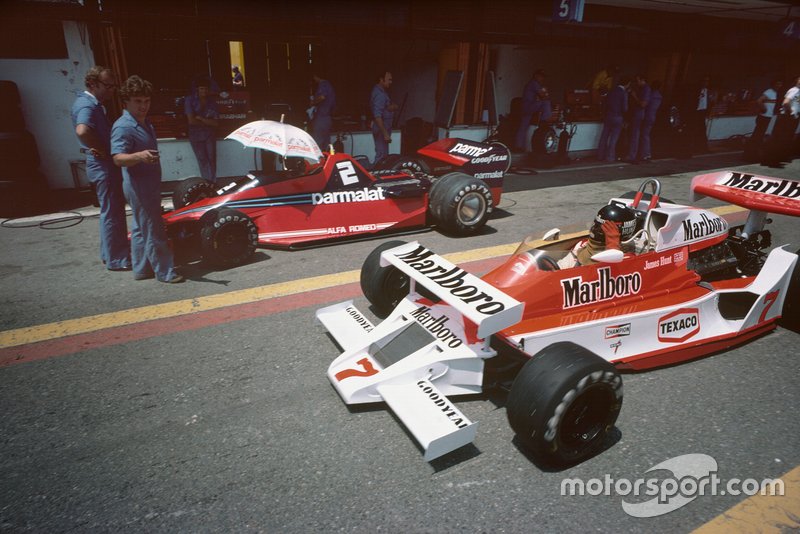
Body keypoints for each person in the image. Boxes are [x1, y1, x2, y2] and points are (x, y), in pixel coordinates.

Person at [111, 75, 184, 284]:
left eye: (146, 101)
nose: (143, 106)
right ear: (126, 101)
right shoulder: (123, 126)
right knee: (154, 229)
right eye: (138, 101)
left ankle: (142, 268)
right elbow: (117, 158)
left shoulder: (144, 122)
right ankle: (166, 272)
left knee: (141, 228)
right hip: (138, 186)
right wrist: (138, 156)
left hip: (149, 184)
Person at [71, 66, 131, 272]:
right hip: (103, 166)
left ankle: (110, 253)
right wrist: (99, 148)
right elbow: (83, 130)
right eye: (108, 86)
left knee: (110, 211)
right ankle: (118, 258)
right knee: (113, 212)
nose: (112, 90)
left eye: (113, 86)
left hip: (103, 165)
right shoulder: (88, 105)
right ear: (93, 84)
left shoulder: (94, 104)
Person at [558, 203, 638, 269]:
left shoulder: (627, 259)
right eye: (597, 224)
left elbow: (612, 277)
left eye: (603, 228)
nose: (595, 229)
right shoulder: (583, 245)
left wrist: (612, 246)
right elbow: (560, 268)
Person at [185, 76, 219, 182]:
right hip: (196, 134)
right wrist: (207, 122)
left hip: (209, 134)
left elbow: (216, 123)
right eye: (201, 89)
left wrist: (201, 119)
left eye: (206, 89)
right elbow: (191, 121)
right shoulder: (190, 100)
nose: (204, 91)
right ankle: (207, 183)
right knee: (202, 160)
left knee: (212, 159)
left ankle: (212, 183)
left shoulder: (212, 102)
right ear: (197, 89)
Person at [764, 76, 800, 165]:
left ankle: (780, 156)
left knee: (786, 137)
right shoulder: (795, 90)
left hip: (791, 116)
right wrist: (792, 112)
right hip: (788, 116)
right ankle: (774, 157)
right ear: (796, 81)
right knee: (782, 137)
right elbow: (786, 102)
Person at [514, 69, 552, 152]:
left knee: (524, 126)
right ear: (536, 76)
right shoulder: (534, 83)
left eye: (543, 77)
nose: (542, 79)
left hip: (526, 107)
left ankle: (519, 146)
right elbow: (544, 96)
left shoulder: (533, 84)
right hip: (528, 106)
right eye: (541, 76)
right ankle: (545, 119)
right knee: (546, 102)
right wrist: (545, 92)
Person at [745, 79, 782, 161]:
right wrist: (764, 109)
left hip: (768, 116)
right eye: (777, 84)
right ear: (773, 84)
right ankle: (750, 154)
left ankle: (754, 153)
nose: (779, 86)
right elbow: (759, 101)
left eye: (780, 84)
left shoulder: (775, 93)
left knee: (760, 135)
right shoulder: (769, 91)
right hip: (763, 116)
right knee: (757, 135)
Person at [597, 75, 630, 162]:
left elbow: (605, 103)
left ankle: (600, 155)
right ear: (627, 84)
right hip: (618, 117)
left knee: (604, 136)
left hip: (608, 116)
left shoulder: (611, 91)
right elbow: (625, 108)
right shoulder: (624, 93)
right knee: (613, 138)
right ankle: (610, 157)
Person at [370, 71, 398, 165]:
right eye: (388, 80)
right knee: (381, 156)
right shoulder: (380, 94)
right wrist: (385, 133)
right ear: (381, 80)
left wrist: (391, 107)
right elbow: (377, 115)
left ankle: (381, 174)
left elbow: (382, 108)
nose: (391, 82)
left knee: (384, 156)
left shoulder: (380, 92)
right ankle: (375, 177)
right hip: (381, 129)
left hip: (382, 128)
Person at [625, 74, 651, 163]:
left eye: (638, 80)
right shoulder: (643, 89)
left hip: (638, 114)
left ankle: (632, 155)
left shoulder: (646, 89)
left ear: (642, 80)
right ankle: (640, 154)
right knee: (636, 134)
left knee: (635, 135)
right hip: (638, 114)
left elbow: (643, 104)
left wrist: (634, 95)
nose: (637, 83)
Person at [310, 72, 336, 151]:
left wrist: (313, 102)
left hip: (322, 117)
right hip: (327, 117)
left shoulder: (323, 84)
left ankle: (320, 162)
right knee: (326, 143)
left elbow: (322, 97)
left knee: (318, 143)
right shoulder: (328, 85)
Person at [638, 80, 663, 162]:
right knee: (646, 135)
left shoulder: (651, 94)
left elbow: (645, 104)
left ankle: (645, 154)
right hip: (653, 116)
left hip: (647, 116)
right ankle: (646, 153)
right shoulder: (659, 96)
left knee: (644, 135)